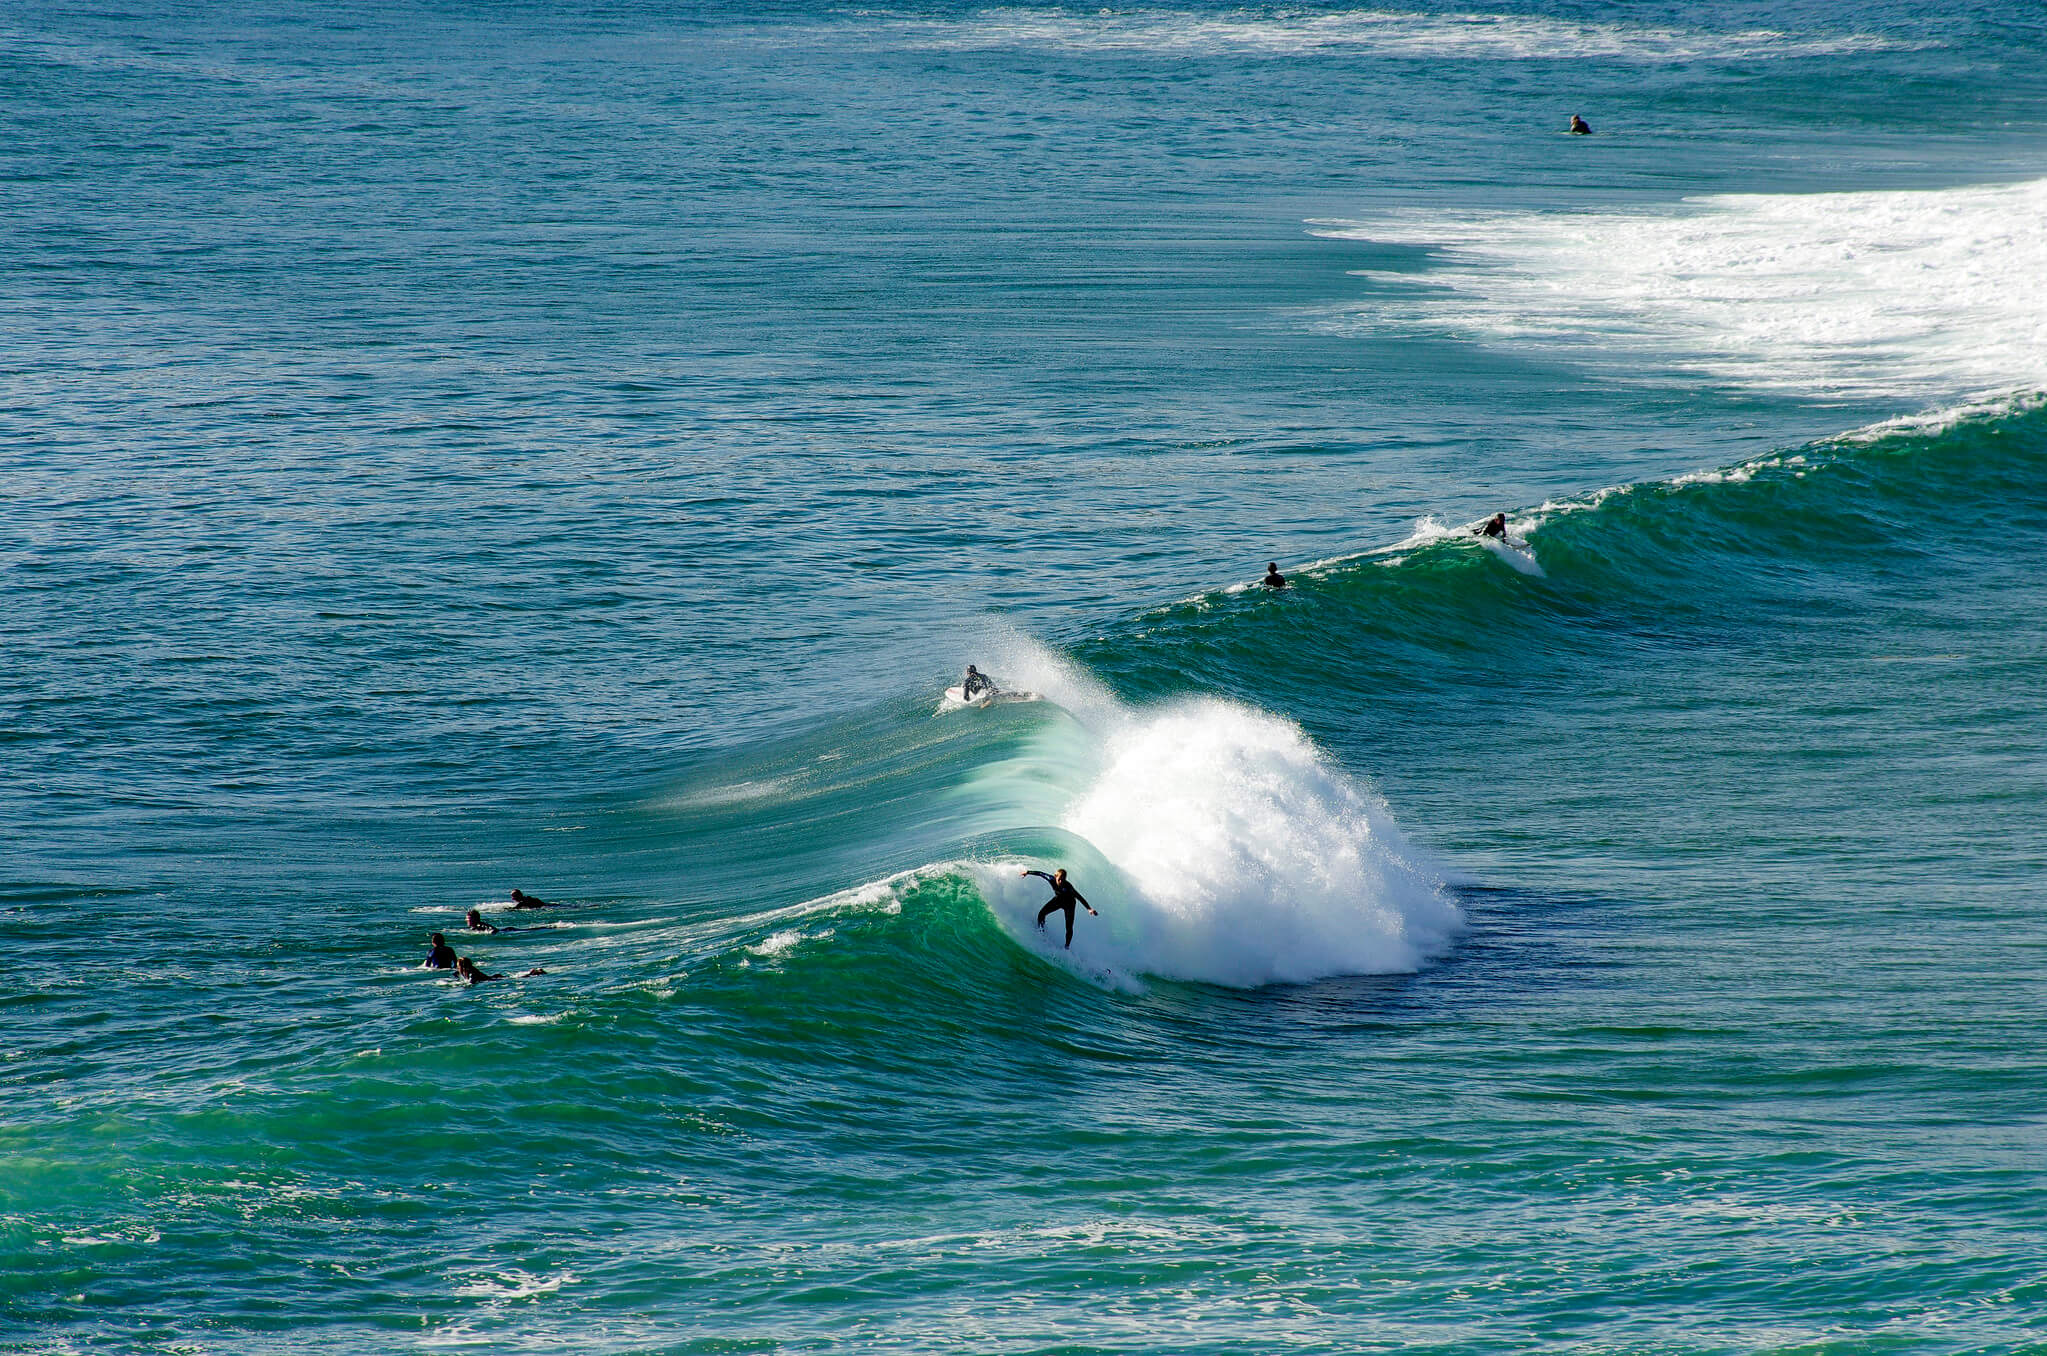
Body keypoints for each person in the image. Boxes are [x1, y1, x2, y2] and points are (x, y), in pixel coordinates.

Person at [1021, 867, 1097, 949]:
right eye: (1059, 879)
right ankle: (1041, 932)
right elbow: (1040, 873)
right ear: (1055, 876)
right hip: (1059, 900)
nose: (1061, 882)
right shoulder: (1051, 879)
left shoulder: (1069, 887)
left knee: (1069, 927)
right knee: (1041, 914)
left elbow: (1079, 897)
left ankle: (1067, 946)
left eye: (1063, 880)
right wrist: (1027, 872)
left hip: (1070, 905)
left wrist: (1089, 909)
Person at [454, 956, 547, 984]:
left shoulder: (471, 974)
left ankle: (535, 973)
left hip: (494, 979)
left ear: (462, 967)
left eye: (458, 967)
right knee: (515, 977)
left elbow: (471, 983)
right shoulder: (471, 971)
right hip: (493, 977)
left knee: (517, 979)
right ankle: (532, 972)